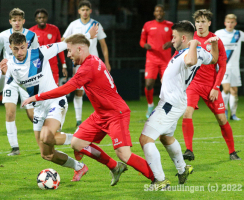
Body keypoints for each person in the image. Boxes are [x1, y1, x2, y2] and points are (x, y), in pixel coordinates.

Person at [22, 33, 155, 187]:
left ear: (79, 49)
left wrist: (37, 97)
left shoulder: (88, 68)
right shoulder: (92, 60)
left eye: (70, 51)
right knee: (77, 143)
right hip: (101, 114)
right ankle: (114, 166)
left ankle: (157, 178)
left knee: (123, 154)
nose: (68, 55)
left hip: (115, 114)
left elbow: (65, 89)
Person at [0, 29, 98, 181]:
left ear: (27, 46)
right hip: (39, 108)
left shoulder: (40, 53)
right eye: (16, 48)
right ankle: (79, 167)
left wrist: (88, 35)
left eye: (22, 47)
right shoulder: (9, 65)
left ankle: (79, 140)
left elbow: (66, 43)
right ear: (10, 48)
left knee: (47, 136)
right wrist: (3, 75)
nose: (20, 51)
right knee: (47, 154)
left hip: (55, 101)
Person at [140, 20, 219, 190]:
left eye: (174, 37)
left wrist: (194, 43)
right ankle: (183, 169)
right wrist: (214, 44)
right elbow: (213, 59)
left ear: (184, 38)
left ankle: (160, 181)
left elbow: (190, 61)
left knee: (145, 139)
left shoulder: (190, 52)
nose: (172, 40)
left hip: (170, 103)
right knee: (166, 137)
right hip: (176, 100)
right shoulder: (196, 51)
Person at [182, 9, 241, 161]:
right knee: (187, 113)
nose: (200, 25)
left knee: (222, 119)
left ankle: (232, 152)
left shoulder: (215, 40)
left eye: (203, 22)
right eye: (197, 22)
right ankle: (189, 150)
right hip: (193, 85)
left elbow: (222, 66)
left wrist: (215, 88)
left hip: (210, 86)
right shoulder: (189, 39)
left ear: (209, 23)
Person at [0, 8, 41, 156]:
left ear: (23, 21)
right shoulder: (3, 36)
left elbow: (37, 55)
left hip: (26, 79)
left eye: (19, 20)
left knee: (32, 115)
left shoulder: (31, 35)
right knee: (10, 112)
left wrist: (37, 74)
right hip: (10, 78)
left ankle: (47, 135)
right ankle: (15, 148)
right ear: (10, 21)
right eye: (14, 20)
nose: (17, 22)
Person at [61, 0, 111, 127]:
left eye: (87, 10)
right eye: (82, 10)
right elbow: (63, 39)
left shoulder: (96, 24)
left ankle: (103, 117)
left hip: (95, 63)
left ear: (90, 11)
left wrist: (107, 62)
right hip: (79, 63)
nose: (85, 12)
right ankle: (78, 120)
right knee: (79, 91)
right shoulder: (73, 25)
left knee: (99, 90)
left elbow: (103, 45)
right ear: (79, 11)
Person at [140, 4, 173, 118]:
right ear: (154, 13)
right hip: (152, 60)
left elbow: (176, 39)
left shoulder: (170, 25)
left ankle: (166, 109)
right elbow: (141, 41)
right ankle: (150, 106)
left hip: (165, 61)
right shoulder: (148, 25)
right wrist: (145, 45)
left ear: (163, 13)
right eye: (157, 11)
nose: (159, 13)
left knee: (166, 85)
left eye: (161, 11)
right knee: (149, 84)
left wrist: (171, 43)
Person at [215, 14, 244, 121]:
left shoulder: (239, 34)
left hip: (235, 67)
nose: (230, 24)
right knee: (226, 89)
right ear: (225, 23)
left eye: (232, 22)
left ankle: (233, 114)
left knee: (234, 91)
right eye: (228, 22)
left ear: (235, 23)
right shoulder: (219, 33)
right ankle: (224, 111)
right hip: (223, 66)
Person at [29, 8, 68, 86]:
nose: (42, 19)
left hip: (52, 65)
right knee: (41, 91)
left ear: (47, 18)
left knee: (54, 90)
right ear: (36, 19)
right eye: (39, 18)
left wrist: (64, 65)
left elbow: (60, 49)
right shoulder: (31, 32)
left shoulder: (55, 30)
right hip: (38, 66)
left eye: (44, 17)